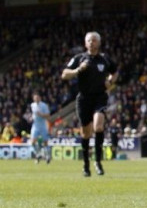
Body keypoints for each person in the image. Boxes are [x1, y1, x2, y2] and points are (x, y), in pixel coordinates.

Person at [61, 31, 118, 177]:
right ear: (85, 43)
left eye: (94, 40)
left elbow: (115, 71)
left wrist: (110, 82)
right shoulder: (79, 58)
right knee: (86, 133)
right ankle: (86, 164)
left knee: (98, 127)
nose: (91, 43)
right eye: (89, 41)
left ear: (99, 43)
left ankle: (98, 161)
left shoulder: (105, 59)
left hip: (100, 97)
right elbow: (64, 74)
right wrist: (78, 69)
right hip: (84, 99)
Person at [30, 93, 52, 164]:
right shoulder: (32, 105)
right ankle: (38, 154)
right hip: (35, 125)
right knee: (32, 142)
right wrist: (31, 117)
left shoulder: (44, 105)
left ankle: (48, 156)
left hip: (43, 125)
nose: (36, 99)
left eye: (37, 98)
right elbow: (34, 114)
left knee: (45, 142)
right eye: (35, 98)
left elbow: (48, 115)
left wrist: (41, 115)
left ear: (40, 98)